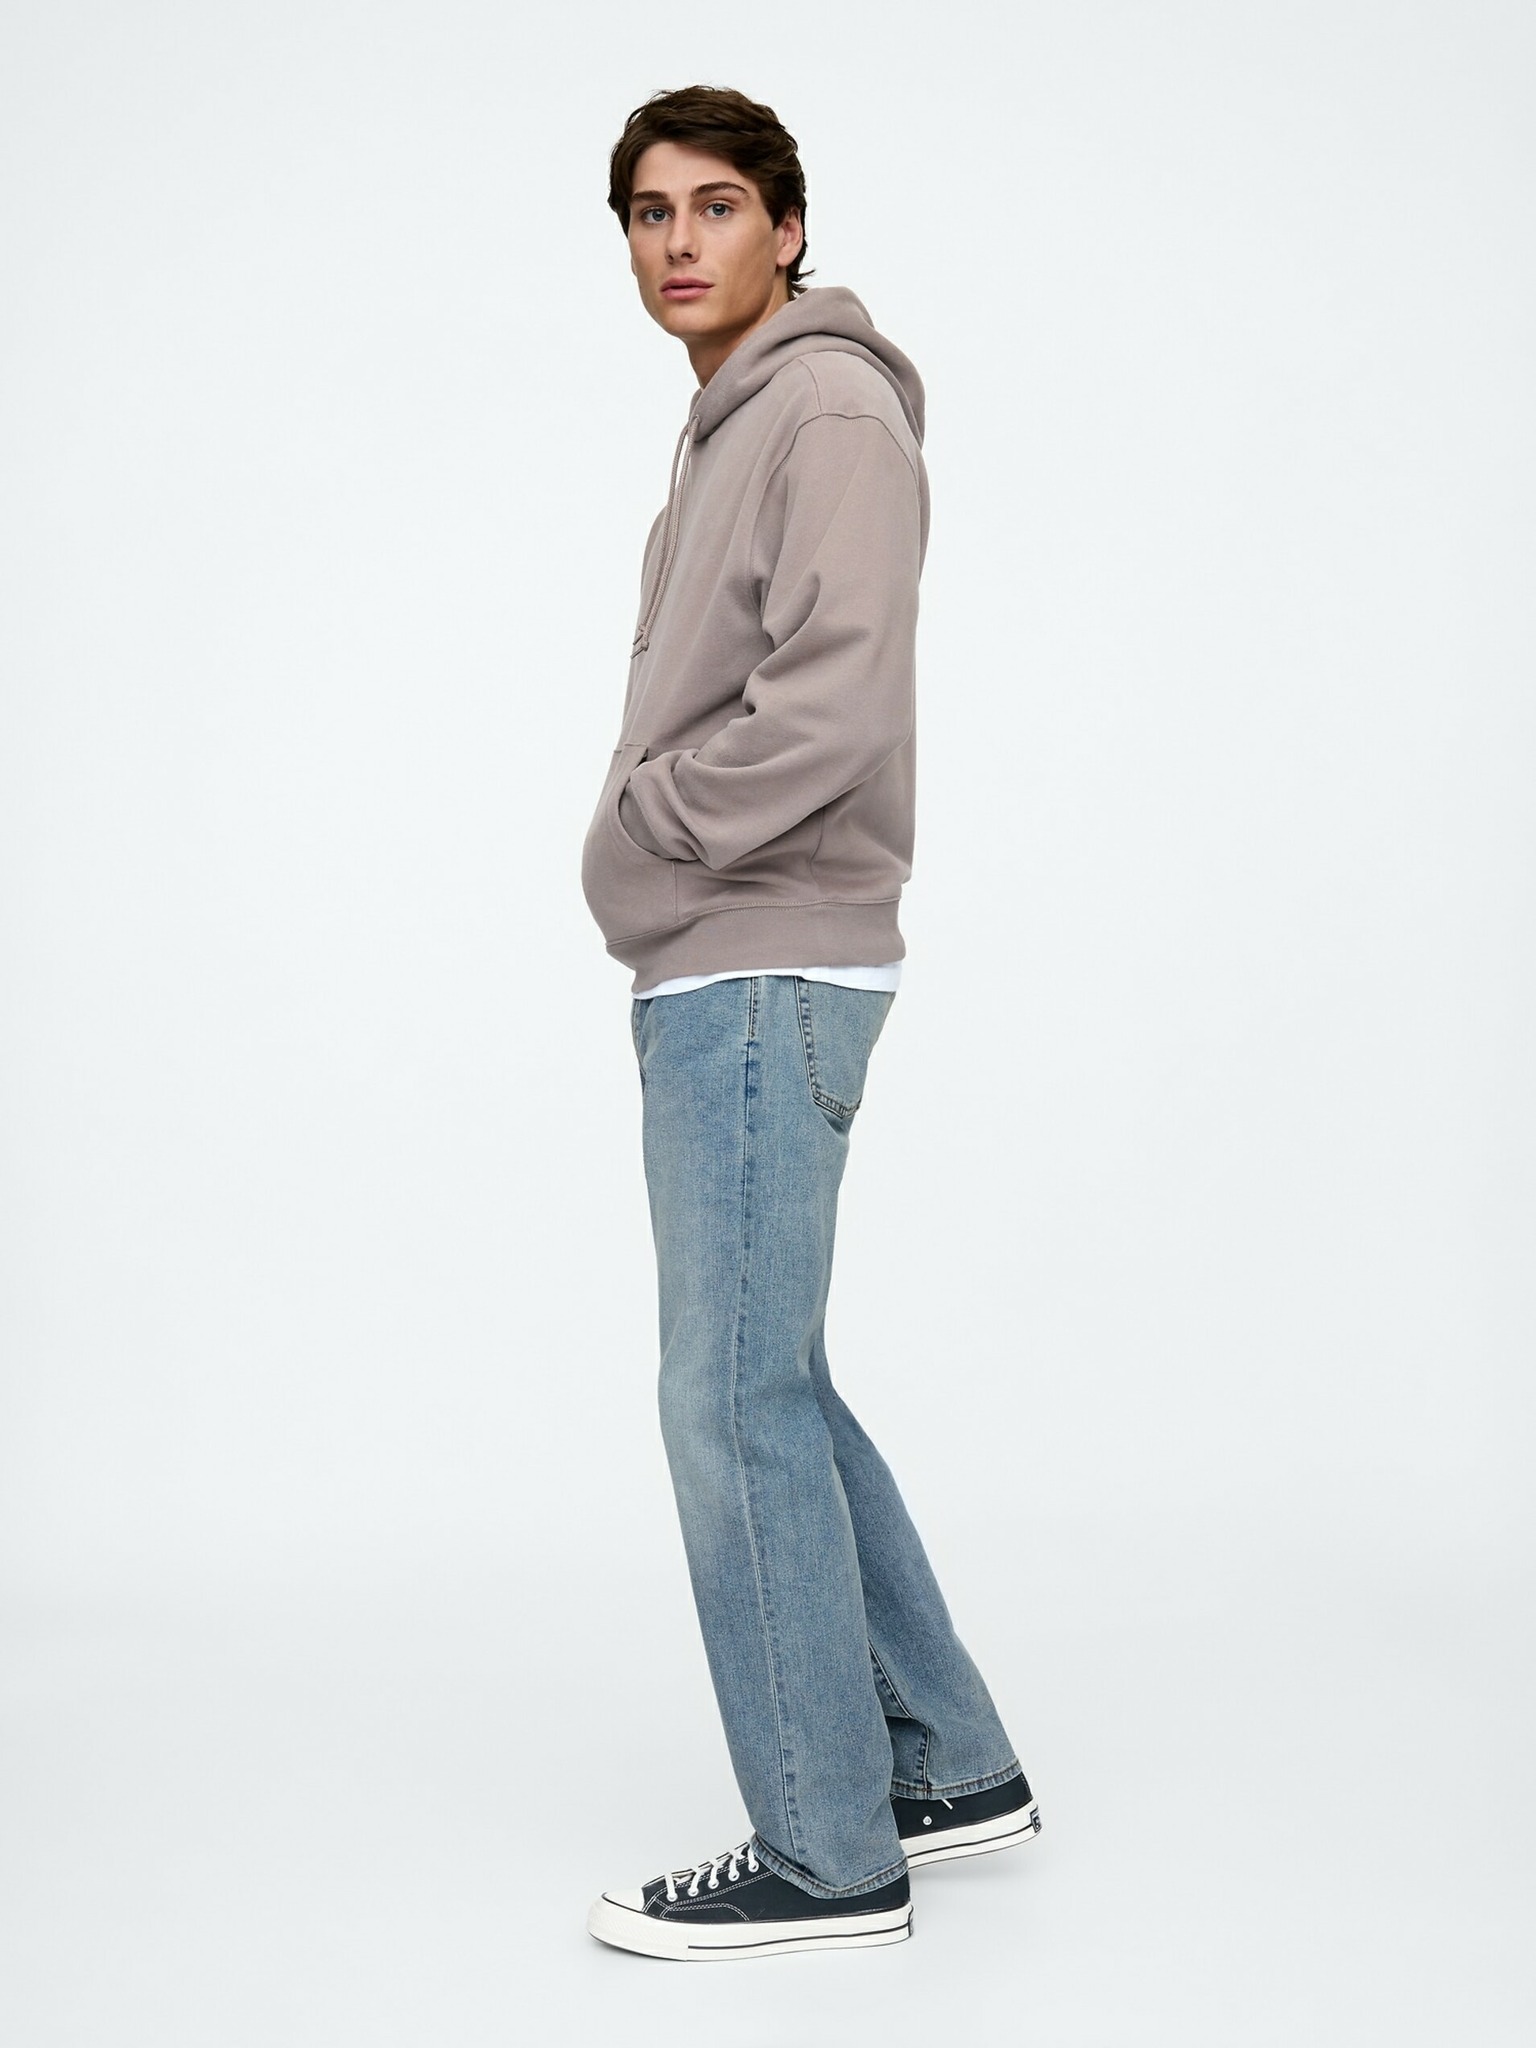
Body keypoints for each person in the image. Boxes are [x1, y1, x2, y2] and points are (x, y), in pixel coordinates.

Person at [580, 84, 1040, 1964]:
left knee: (727, 1399)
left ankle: (830, 1851)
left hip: (762, 955)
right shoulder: (733, 421)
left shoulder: (827, 413)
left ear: (787, 227)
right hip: (738, 956)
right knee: (774, 1378)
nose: (677, 241)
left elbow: (832, 708)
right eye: (647, 212)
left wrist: (648, 827)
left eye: (716, 206)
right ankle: (949, 1762)